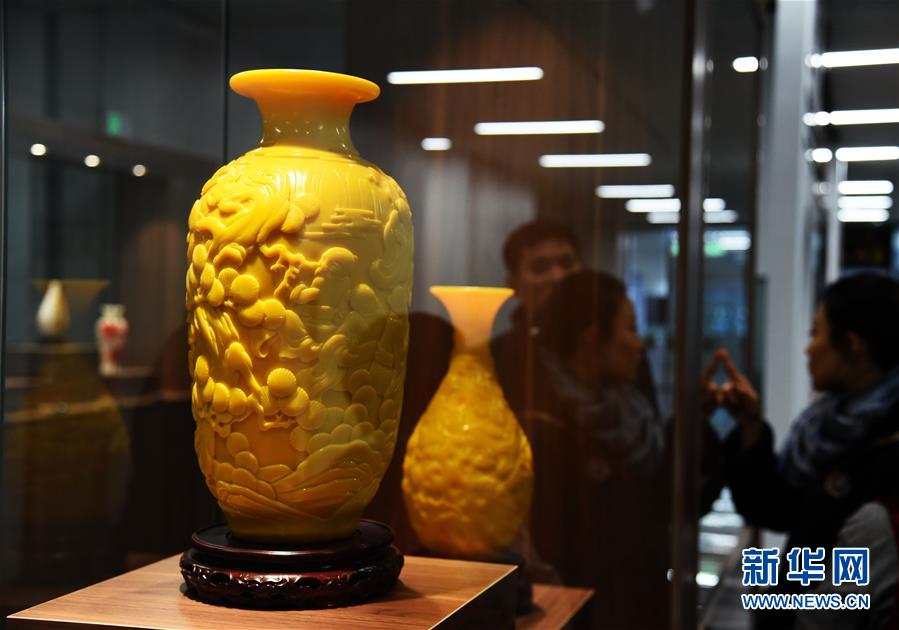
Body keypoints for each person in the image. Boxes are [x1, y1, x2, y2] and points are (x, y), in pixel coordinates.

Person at [707, 272, 899, 629]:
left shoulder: (887, 449)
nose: (808, 349)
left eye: (816, 334)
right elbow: (777, 507)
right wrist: (751, 426)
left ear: (853, 346)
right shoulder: (828, 423)